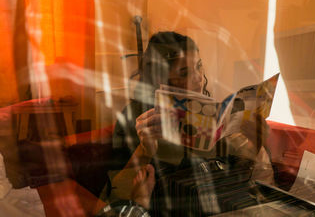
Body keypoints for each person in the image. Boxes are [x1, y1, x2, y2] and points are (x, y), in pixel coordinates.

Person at [103, 31, 274, 212]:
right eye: (184, 72)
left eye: (199, 66)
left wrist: (255, 145)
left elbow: (235, 179)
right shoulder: (137, 117)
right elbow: (115, 196)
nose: (198, 78)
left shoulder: (215, 116)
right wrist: (145, 151)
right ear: (159, 78)